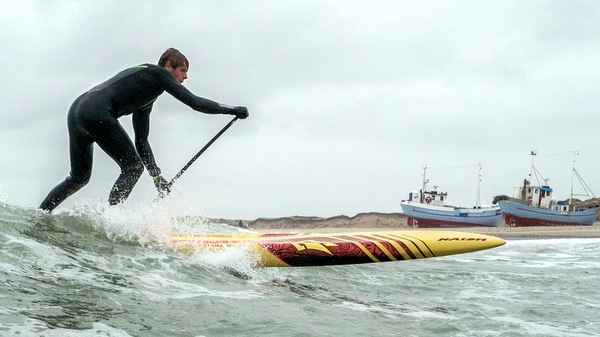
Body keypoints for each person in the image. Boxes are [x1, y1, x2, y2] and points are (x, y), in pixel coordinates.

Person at [39, 48, 248, 212]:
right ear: (169, 66)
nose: (185, 77)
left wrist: (157, 177)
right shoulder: (157, 74)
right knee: (132, 167)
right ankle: (110, 215)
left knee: (78, 178)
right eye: (183, 70)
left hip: (78, 111)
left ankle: (41, 214)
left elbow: (142, 141)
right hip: (96, 111)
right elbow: (195, 102)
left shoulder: (147, 95)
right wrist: (232, 109)